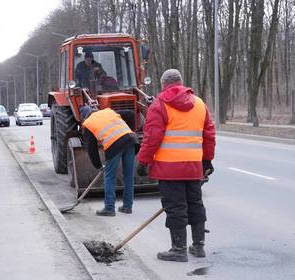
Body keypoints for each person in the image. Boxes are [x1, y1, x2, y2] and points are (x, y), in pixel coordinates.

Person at [137, 69, 215, 262]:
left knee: (175, 207)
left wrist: (143, 161)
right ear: (181, 82)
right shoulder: (199, 104)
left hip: (168, 168)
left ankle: (179, 249)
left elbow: (152, 137)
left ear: (164, 85)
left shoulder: (159, 104)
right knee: (195, 203)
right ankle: (198, 246)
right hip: (193, 167)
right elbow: (209, 135)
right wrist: (207, 160)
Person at [80, 106, 138, 216]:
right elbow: (130, 113)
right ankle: (127, 206)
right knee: (128, 176)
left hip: (114, 145)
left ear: (84, 118)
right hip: (131, 141)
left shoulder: (89, 123)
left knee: (110, 176)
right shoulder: (108, 111)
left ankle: (109, 208)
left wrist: (98, 165)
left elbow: (92, 149)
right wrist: (130, 131)